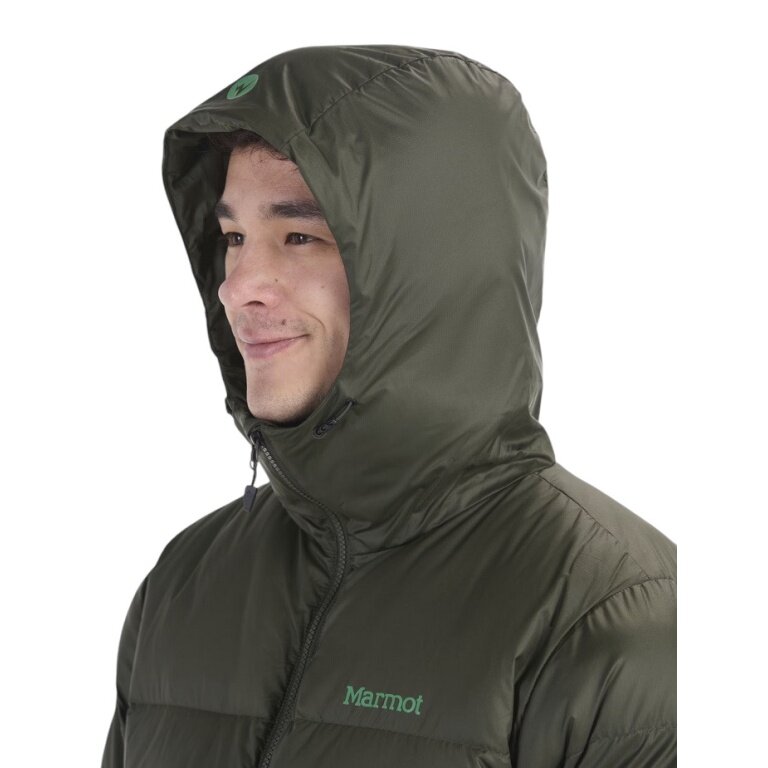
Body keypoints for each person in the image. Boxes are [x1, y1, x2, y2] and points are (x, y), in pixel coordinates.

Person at [101, 44, 676, 767]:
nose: (237, 285)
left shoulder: (614, 617)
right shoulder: (185, 585)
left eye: (300, 236)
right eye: (234, 237)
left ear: (432, 270)